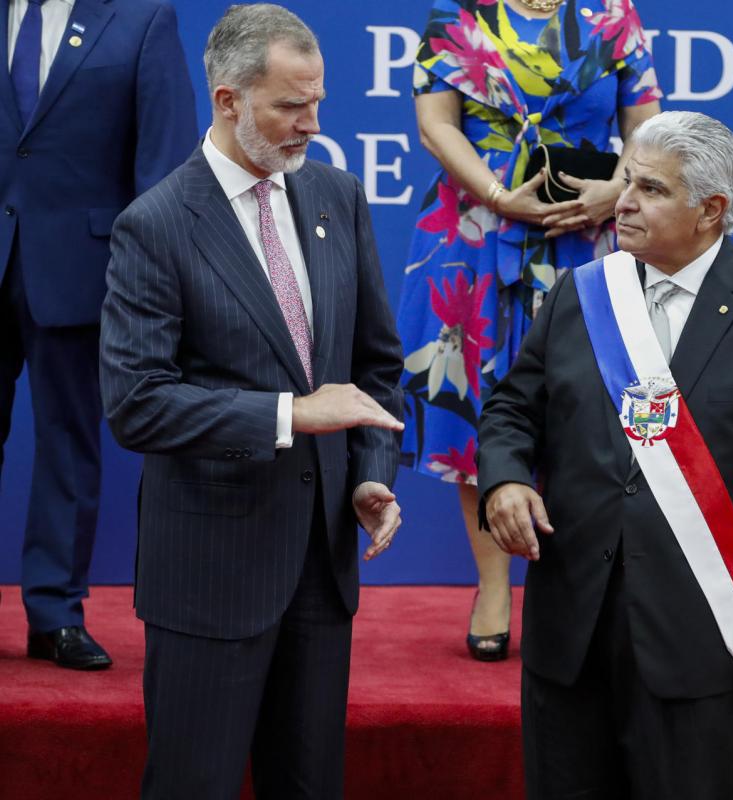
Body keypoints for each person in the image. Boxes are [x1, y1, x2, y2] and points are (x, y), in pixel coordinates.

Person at [477, 111, 733, 799]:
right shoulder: (583, 293)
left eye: (650, 189)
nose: (622, 202)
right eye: (626, 181)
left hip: (701, 638)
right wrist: (503, 481)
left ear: (711, 209)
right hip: (571, 631)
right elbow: (510, 409)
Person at [98, 5, 406, 796]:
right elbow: (137, 403)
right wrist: (288, 415)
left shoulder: (337, 195)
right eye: (291, 105)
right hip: (209, 575)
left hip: (321, 572)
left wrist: (371, 476)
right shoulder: (155, 225)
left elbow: (374, 369)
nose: (313, 124)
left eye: (318, 101)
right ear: (228, 100)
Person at [399, 0, 662, 661]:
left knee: (589, 408)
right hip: (476, 235)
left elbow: (646, 125)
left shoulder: (612, 15)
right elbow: (435, 125)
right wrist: (496, 195)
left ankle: (576, 589)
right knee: (479, 405)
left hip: (587, 233)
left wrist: (618, 190)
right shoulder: (457, 14)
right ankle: (493, 588)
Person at [0, 0, 196, 669]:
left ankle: (54, 613)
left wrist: (148, 284)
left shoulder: (142, 19)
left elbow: (164, 168)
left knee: (68, 443)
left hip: (84, 273)